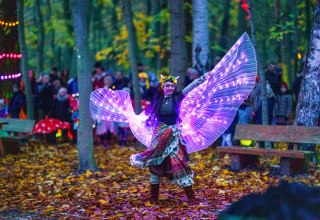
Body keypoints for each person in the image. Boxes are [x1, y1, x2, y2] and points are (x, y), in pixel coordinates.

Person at [90, 33, 257, 206]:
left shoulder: (179, 97)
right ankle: (153, 198)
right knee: (155, 167)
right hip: (159, 135)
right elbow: (149, 115)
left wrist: (202, 79)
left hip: (175, 136)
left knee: (179, 164)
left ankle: (191, 197)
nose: (170, 87)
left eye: (172, 85)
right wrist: (136, 119)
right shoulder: (157, 101)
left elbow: (190, 89)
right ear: (163, 87)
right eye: (167, 85)